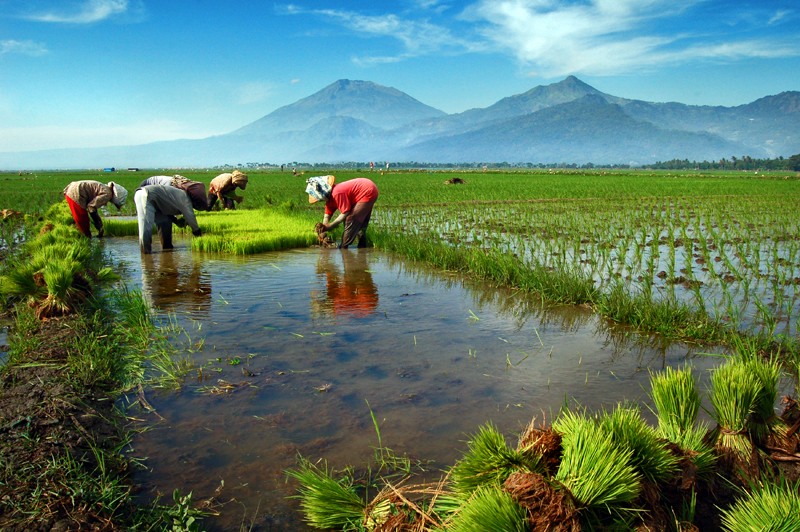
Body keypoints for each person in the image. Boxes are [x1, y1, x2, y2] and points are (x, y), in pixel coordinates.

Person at [306, 175, 379, 249]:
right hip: (369, 188)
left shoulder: (337, 193)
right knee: (360, 224)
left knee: (350, 219)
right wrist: (323, 227)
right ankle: (362, 247)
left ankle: (344, 247)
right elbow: (327, 214)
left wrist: (331, 225)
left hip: (367, 191)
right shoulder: (330, 198)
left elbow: (345, 212)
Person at [134, 185, 201, 254]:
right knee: (146, 225)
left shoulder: (179, 196)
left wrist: (176, 221)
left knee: (165, 222)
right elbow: (191, 216)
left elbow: (167, 209)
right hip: (145, 194)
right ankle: (146, 254)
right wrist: (197, 232)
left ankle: (167, 248)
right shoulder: (185, 198)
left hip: (157, 203)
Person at [63, 180, 128, 237]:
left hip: (72, 188)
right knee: (82, 220)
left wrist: (97, 221)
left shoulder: (105, 189)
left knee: (79, 219)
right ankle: (86, 238)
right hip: (76, 192)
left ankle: (80, 236)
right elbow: (91, 207)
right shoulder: (108, 194)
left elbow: (93, 206)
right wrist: (98, 223)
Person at [139, 174, 209, 211]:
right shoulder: (176, 189)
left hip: (164, 184)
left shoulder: (185, 191)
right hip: (149, 184)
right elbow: (168, 206)